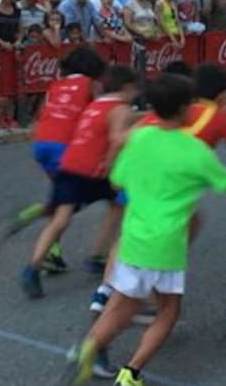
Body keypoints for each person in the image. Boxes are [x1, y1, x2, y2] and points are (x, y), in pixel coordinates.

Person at [59, 73, 226, 386]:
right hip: (167, 244)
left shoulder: (139, 138)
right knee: (168, 311)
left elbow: (117, 180)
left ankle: (87, 350)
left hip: (133, 239)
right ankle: (131, 373)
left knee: (121, 307)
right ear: (184, 108)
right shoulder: (194, 150)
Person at [21, 65, 138, 300]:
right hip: (96, 169)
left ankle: (32, 267)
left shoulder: (96, 104)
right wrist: (112, 165)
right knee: (120, 204)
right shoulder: (121, 108)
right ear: (127, 88)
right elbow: (117, 139)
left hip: (71, 164)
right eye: (135, 90)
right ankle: (98, 255)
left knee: (61, 218)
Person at [9, 45, 107, 261]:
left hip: (43, 144)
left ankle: (51, 243)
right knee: (76, 199)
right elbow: (99, 113)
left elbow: (43, 115)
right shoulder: (90, 84)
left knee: (67, 197)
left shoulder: (56, 85)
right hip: (65, 147)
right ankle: (51, 245)